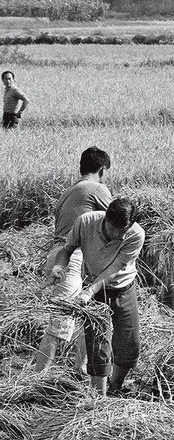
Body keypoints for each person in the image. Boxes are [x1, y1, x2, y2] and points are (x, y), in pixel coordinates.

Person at [51, 198, 144, 396]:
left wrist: (88, 291)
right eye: (114, 229)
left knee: (129, 341)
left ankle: (115, 387)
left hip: (123, 288)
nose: (119, 235)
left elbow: (114, 269)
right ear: (105, 220)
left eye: (123, 230)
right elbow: (67, 249)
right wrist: (59, 266)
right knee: (97, 345)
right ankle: (99, 400)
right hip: (94, 290)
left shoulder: (136, 234)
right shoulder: (86, 222)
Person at [34, 146, 113, 374]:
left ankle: (81, 369)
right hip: (71, 256)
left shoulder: (69, 192)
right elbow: (118, 220)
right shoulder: (97, 188)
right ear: (102, 169)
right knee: (59, 322)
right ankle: (38, 378)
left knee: (86, 314)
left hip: (59, 254)